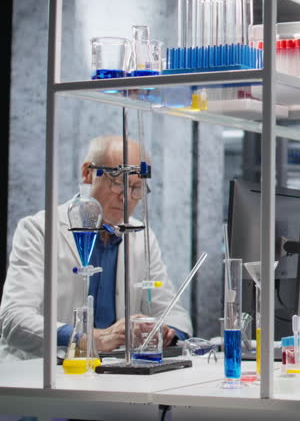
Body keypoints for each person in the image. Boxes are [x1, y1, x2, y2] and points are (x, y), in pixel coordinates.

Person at [0, 136, 192, 362]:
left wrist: (165, 332)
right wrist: (91, 339)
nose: (127, 198)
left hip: (112, 377)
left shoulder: (142, 236)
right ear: (88, 173)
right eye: (119, 182)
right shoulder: (39, 229)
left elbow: (176, 315)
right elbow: (13, 319)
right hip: (41, 376)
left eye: (137, 188)